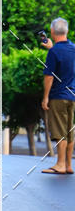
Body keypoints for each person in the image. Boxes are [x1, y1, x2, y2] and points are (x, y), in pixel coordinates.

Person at [41, 17, 75, 174]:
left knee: (60, 131)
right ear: (67, 31)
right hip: (72, 96)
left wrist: (45, 97)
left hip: (58, 96)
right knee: (69, 131)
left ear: (52, 31)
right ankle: (68, 165)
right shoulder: (73, 48)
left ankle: (60, 164)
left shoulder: (54, 52)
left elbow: (49, 76)